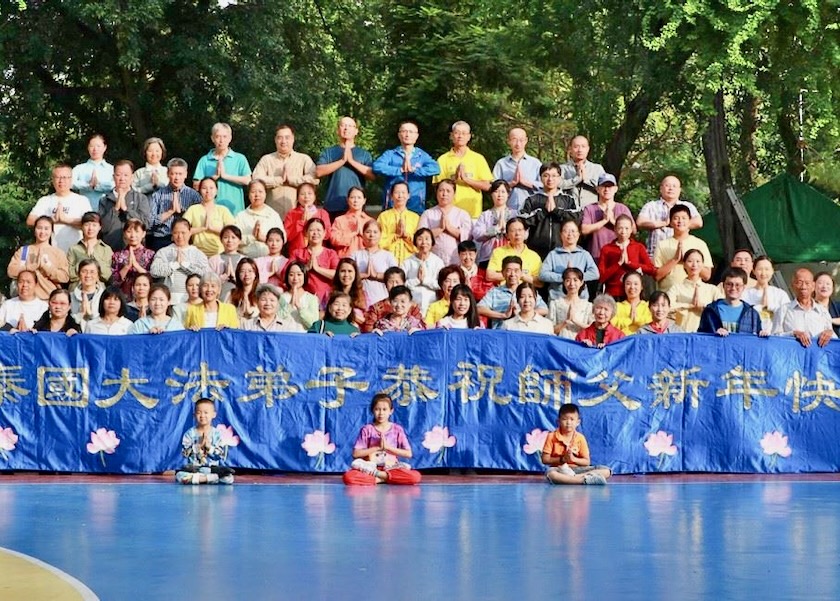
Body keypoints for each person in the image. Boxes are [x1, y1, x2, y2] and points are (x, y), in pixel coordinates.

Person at [342, 393, 422, 486]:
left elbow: (408, 454)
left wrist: (387, 447)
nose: (381, 413)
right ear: (372, 410)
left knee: (415, 477)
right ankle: (386, 478)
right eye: (377, 409)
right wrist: (377, 447)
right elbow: (356, 454)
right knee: (348, 477)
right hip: (370, 468)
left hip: (391, 468)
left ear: (391, 411)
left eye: (384, 409)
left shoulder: (397, 429)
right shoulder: (367, 429)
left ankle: (379, 477)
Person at [372, 120, 440, 214]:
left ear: (417, 136)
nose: (407, 134)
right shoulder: (391, 154)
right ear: (399, 135)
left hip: (415, 204)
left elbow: (435, 168)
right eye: (404, 131)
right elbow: (377, 166)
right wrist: (399, 170)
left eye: (411, 132)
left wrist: (415, 170)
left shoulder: (421, 155)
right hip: (392, 204)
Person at [315, 116, 375, 220]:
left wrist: (351, 161)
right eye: (343, 125)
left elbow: (372, 175)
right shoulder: (329, 152)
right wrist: (342, 161)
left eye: (350, 126)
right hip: (333, 205)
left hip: (357, 206)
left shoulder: (364, 154)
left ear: (356, 131)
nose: (346, 128)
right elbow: (319, 172)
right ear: (338, 130)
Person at [252, 124, 317, 218]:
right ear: (275, 140)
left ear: (293, 139)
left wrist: (292, 180)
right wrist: (278, 180)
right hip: (271, 215)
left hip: (298, 216)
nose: (283, 141)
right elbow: (256, 179)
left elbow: (314, 179)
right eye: (280, 138)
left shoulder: (303, 159)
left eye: (287, 137)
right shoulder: (267, 159)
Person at [27, 162, 92, 252]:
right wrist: (52, 220)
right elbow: (30, 221)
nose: (61, 181)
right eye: (58, 177)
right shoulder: (45, 200)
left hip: (77, 252)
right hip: (51, 252)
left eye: (65, 177)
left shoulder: (82, 200)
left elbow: (90, 224)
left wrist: (65, 220)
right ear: (52, 180)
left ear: (71, 179)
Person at [541, 403, 611, 485]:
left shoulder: (580, 438)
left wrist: (573, 459)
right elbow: (545, 459)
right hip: (559, 469)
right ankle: (582, 480)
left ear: (578, 422)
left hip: (578, 470)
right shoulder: (551, 436)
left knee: (606, 471)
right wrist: (562, 459)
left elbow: (586, 462)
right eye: (564, 419)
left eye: (572, 419)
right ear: (558, 421)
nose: (568, 422)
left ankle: (574, 479)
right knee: (551, 474)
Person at [434, 121, 493, 218]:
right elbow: (437, 187)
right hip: (449, 213)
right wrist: (454, 179)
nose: (460, 136)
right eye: (457, 133)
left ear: (469, 136)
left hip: (473, 213)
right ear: (451, 136)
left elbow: (487, 186)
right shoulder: (443, 159)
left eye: (464, 133)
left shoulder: (478, 158)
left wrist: (466, 179)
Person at [521, 162, 579, 259]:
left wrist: (556, 210)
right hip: (536, 249)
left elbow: (577, 218)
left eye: (554, 176)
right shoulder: (532, 199)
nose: (550, 179)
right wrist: (543, 212)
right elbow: (523, 221)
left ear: (559, 178)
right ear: (540, 177)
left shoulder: (568, 199)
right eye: (546, 176)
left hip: (563, 248)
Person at [192, 122, 252, 215]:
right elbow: (196, 186)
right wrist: (213, 177)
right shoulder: (204, 160)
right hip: (210, 212)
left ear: (230, 138)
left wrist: (225, 176)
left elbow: (248, 180)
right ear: (212, 138)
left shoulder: (240, 158)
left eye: (224, 137)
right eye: (218, 136)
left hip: (235, 211)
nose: (221, 140)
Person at [637, 175, 703, 257]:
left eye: (674, 186)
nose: (671, 188)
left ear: (679, 190)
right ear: (661, 189)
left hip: (681, 255)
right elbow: (640, 222)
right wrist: (664, 223)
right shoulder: (651, 206)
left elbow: (698, 222)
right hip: (655, 254)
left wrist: (676, 224)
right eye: (667, 185)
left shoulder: (687, 206)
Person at [175, 398, 235, 485]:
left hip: (212, 469)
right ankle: (211, 479)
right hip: (194, 470)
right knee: (180, 476)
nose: (202, 415)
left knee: (228, 478)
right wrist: (197, 446)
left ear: (213, 414)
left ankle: (202, 479)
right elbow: (185, 454)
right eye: (199, 413)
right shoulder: (189, 434)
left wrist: (209, 447)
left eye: (206, 413)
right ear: (194, 415)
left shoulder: (217, 434)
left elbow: (221, 455)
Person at [149, 218, 210, 304]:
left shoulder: (198, 254)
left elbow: (206, 275)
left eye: (183, 233)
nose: (180, 236)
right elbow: (154, 271)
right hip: (168, 299)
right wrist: (174, 265)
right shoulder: (164, 252)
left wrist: (186, 265)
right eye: (176, 233)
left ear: (190, 232)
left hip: (192, 300)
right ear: (172, 234)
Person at [8, 216, 70, 300]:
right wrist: (29, 268)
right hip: (25, 300)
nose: (42, 232)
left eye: (46, 228)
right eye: (39, 228)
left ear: (51, 231)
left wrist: (47, 267)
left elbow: (64, 277)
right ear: (34, 231)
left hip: (48, 300)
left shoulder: (58, 253)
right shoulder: (24, 250)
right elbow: (11, 271)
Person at [654, 205, 714, 292]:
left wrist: (688, 261)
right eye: (676, 218)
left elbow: (707, 275)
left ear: (689, 221)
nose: (680, 221)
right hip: (668, 295)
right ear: (670, 222)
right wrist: (675, 260)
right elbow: (656, 276)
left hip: (694, 294)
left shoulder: (700, 244)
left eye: (684, 218)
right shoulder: (662, 245)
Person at [147, 158, 202, 251]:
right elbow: (149, 223)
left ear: (186, 174)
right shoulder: (157, 195)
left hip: (186, 239)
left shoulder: (194, 195)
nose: (177, 178)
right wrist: (169, 212)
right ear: (168, 174)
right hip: (162, 238)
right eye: (173, 174)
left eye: (180, 174)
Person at [478, 256, 548, 329]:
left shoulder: (528, 290)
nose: (512, 274)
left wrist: (522, 313)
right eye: (508, 270)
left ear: (521, 273)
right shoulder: (495, 292)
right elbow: (479, 308)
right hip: (500, 332)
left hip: (524, 330)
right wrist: (503, 315)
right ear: (503, 273)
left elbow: (544, 309)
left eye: (516, 270)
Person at [772, 268, 835, 348]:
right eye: (799, 282)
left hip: (817, 358)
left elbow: (833, 339)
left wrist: (829, 333)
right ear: (792, 286)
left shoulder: (823, 311)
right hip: (792, 357)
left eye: (807, 283)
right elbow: (774, 337)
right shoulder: (784, 310)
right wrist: (793, 334)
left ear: (813, 286)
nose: (803, 287)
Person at [598, 214, 656, 299]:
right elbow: (601, 276)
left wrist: (630, 264)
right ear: (615, 229)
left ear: (631, 230)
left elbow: (651, 269)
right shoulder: (607, 249)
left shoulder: (638, 247)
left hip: (633, 293)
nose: (623, 231)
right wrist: (618, 264)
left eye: (626, 228)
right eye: (620, 228)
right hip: (613, 293)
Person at [540, 219, 598, 301]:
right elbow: (543, 275)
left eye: (573, 231)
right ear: (560, 234)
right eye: (566, 231)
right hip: (557, 299)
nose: (570, 234)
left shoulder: (584, 254)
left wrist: (576, 277)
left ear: (578, 234)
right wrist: (564, 277)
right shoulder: (553, 254)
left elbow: (595, 273)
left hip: (580, 300)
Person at [580, 173, 634, 262]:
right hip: (595, 257)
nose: (606, 189)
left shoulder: (623, 209)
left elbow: (633, 230)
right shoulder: (590, 208)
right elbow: (584, 230)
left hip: (619, 256)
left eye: (610, 186)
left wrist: (613, 221)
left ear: (615, 189)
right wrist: (604, 221)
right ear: (597, 189)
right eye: (603, 186)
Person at [666, 249, 722, 333]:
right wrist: (689, 305)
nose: (694, 265)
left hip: (707, 334)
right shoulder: (676, 288)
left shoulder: (712, 290)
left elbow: (722, 310)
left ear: (703, 264)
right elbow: (666, 307)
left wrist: (704, 307)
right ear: (684, 265)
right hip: (681, 333)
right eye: (690, 261)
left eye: (698, 261)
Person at [99, 159, 151, 250]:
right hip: (110, 249)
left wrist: (126, 210)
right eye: (118, 175)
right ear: (113, 177)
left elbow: (145, 224)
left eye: (126, 175)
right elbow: (102, 228)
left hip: (135, 250)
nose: (122, 179)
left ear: (132, 177)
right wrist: (115, 209)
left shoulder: (141, 198)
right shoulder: (105, 200)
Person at [699, 268, 767, 336]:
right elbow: (701, 337)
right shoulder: (710, 310)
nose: (733, 288)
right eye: (729, 284)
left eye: (737, 285)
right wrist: (714, 334)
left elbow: (757, 338)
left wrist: (762, 335)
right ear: (723, 286)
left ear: (744, 287)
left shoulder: (752, 313)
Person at [418, 179, 472, 265]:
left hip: (457, 261)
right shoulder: (428, 213)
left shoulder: (462, 214)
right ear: (436, 193)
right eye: (441, 190)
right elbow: (420, 236)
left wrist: (449, 228)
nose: (444, 194)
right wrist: (440, 229)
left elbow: (468, 237)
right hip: (433, 261)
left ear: (454, 194)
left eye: (448, 191)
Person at [289, 218, 339, 309]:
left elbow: (338, 274)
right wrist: (306, 268)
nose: (315, 233)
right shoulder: (297, 253)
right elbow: (288, 273)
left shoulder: (331, 253)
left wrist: (318, 269)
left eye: (319, 230)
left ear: (324, 233)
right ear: (306, 233)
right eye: (311, 230)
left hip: (326, 299)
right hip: (302, 298)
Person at [360, 267, 425, 334]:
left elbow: (422, 330)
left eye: (397, 282)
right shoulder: (376, 308)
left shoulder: (413, 307)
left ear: (403, 283)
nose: (394, 285)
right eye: (391, 282)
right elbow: (368, 331)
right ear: (385, 284)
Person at [492, 127, 542, 211]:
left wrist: (526, 183)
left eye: (521, 140)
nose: (518, 144)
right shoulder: (501, 163)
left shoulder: (535, 163)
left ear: (526, 140)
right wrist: (511, 183)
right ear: (508, 141)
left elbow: (544, 185)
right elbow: (493, 188)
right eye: (514, 140)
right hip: (508, 209)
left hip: (532, 209)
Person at [183, 177, 235, 257]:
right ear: (200, 190)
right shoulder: (193, 209)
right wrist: (202, 228)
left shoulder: (223, 210)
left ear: (216, 190)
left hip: (220, 254)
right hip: (197, 254)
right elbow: (182, 230)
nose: (208, 191)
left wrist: (212, 228)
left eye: (211, 188)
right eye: (204, 188)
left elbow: (233, 233)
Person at [472, 180, 518, 267]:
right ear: (491, 194)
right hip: (488, 257)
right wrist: (495, 229)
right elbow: (477, 234)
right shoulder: (485, 215)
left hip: (511, 256)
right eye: (496, 192)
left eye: (503, 192)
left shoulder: (514, 214)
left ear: (508, 194)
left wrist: (507, 230)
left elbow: (524, 234)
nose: (499, 195)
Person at [235, 179, 285, 258]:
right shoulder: (241, 216)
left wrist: (264, 238)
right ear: (248, 194)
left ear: (265, 194)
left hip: (270, 259)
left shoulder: (273, 215)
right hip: (246, 261)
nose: (257, 195)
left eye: (260, 191)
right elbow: (234, 240)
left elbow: (283, 238)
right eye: (253, 191)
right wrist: (252, 237)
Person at [401, 228, 445, 316]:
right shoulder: (407, 262)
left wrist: (425, 281)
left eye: (427, 239)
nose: (424, 242)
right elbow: (401, 284)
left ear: (432, 241)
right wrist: (417, 280)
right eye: (420, 239)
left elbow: (442, 284)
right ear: (415, 242)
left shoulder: (438, 262)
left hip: (432, 305)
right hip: (411, 306)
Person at [485, 217, 542, 285]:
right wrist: (514, 274)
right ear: (507, 235)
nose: (517, 233)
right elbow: (489, 275)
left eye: (520, 230)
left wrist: (522, 275)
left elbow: (540, 283)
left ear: (525, 233)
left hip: (526, 293)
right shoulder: (498, 252)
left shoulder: (534, 256)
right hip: (504, 292)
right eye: (513, 231)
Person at [741, 255, 790, 332]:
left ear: (772, 271)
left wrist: (770, 307)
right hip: (752, 336)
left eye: (767, 269)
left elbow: (786, 316)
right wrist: (760, 307)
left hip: (775, 337)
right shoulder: (745, 294)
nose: (763, 273)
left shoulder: (780, 294)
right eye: (760, 269)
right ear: (754, 271)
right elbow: (743, 316)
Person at [110, 219, 155, 301]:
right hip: (123, 298)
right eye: (129, 231)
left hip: (145, 298)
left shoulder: (151, 255)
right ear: (124, 234)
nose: (132, 235)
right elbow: (113, 282)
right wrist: (127, 267)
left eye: (137, 231)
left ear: (144, 234)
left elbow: (152, 279)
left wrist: (136, 266)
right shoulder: (117, 255)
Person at [67, 212, 112, 290]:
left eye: (94, 225)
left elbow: (106, 275)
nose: (90, 228)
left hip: (98, 291)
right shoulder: (73, 249)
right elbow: (70, 275)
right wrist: (84, 257)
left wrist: (94, 255)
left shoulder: (106, 249)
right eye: (87, 225)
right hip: (76, 290)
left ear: (100, 227)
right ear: (82, 227)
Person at [378, 181, 420, 264]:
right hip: (388, 260)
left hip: (410, 260)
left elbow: (419, 244)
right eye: (397, 192)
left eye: (403, 192)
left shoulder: (415, 218)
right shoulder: (383, 216)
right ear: (391, 196)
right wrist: (395, 236)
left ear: (408, 195)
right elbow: (379, 242)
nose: (400, 196)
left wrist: (406, 236)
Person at [284, 183, 331, 255]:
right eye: (302, 194)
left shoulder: (322, 213)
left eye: (309, 193)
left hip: (319, 253)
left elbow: (327, 235)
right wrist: (301, 222)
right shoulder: (291, 214)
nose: (306, 196)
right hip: (297, 253)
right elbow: (287, 236)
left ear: (315, 196)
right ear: (297, 197)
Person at [559, 135, 606, 209]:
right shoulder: (562, 169)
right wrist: (576, 179)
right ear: (570, 149)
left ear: (588, 149)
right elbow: (557, 186)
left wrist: (586, 180)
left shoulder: (597, 169)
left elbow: (604, 189)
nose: (580, 150)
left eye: (583, 146)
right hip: (568, 212)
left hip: (592, 212)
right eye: (576, 147)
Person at [71, 133, 114, 211]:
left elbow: (114, 184)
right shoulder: (79, 168)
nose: (95, 149)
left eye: (98, 146)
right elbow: (70, 183)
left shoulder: (111, 169)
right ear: (88, 148)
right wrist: (87, 185)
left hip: (107, 210)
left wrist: (98, 186)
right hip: (84, 210)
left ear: (105, 148)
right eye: (92, 146)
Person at [549, 267, 593, 339]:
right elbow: (549, 330)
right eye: (568, 280)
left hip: (581, 344)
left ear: (581, 282)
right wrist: (565, 322)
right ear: (564, 282)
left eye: (575, 280)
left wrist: (574, 320)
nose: (572, 283)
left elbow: (592, 330)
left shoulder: (588, 306)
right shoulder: (555, 304)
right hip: (560, 343)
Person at [330, 186, 373, 258]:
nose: (355, 200)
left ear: (364, 200)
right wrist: (353, 233)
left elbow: (375, 242)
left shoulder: (370, 221)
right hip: (346, 260)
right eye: (353, 197)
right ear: (347, 200)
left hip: (366, 259)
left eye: (359, 198)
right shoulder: (339, 220)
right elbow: (334, 239)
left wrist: (362, 234)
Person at [208, 225, 246, 298]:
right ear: (221, 240)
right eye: (226, 237)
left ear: (239, 240)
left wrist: (235, 277)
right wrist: (223, 277)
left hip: (240, 298)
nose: (229, 240)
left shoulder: (245, 260)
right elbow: (208, 283)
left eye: (233, 237)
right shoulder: (213, 260)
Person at [280, 261, 319, 331]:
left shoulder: (312, 298)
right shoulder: (281, 297)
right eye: (291, 275)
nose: (295, 278)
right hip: (284, 337)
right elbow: (275, 319)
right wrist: (290, 305)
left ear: (305, 276)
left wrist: (300, 307)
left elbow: (314, 324)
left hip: (303, 338)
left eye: (299, 274)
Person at [331, 257, 367, 325]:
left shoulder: (363, 295)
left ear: (355, 273)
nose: (346, 275)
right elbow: (323, 314)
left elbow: (366, 320)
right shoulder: (330, 294)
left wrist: (349, 314)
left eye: (350, 271)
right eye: (343, 271)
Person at [70, 259, 106, 324]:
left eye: (92, 272)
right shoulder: (70, 297)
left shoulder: (105, 297)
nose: (88, 275)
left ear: (98, 275)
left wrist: (89, 313)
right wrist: (81, 314)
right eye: (84, 271)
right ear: (79, 275)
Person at [814, 272, 840, 338]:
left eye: (828, 284)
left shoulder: (837, 306)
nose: (824, 286)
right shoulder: (808, 306)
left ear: (833, 287)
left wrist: (830, 320)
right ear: (813, 286)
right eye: (820, 283)